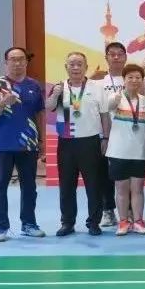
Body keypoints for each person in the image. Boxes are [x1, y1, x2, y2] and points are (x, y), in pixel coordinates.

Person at [0, 47, 46, 241]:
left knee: (29, 186)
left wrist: (41, 140)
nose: (17, 63)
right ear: (6, 62)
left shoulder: (34, 85)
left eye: (21, 59)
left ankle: (29, 224)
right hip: (2, 144)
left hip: (28, 143)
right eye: (13, 59)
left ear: (26, 62)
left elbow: (39, 114)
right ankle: (1, 227)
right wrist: (3, 102)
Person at [47, 52, 108, 237]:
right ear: (66, 67)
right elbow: (49, 107)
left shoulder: (96, 87)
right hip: (66, 143)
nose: (75, 67)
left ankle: (94, 222)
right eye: (72, 64)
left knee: (94, 185)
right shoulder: (59, 87)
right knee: (66, 185)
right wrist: (55, 94)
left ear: (86, 67)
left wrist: (105, 138)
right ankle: (67, 222)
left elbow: (104, 115)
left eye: (79, 64)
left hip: (90, 141)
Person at [104, 64, 145, 236]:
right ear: (124, 80)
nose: (134, 80)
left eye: (138, 77)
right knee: (121, 189)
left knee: (138, 189)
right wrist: (115, 99)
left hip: (139, 153)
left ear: (142, 80)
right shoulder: (116, 97)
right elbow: (108, 106)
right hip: (118, 152)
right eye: (130, 77)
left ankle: (138, 221)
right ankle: (123, 221)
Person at [95, 41, 128, 227]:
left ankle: (129, 210)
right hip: (105, 133)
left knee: (128, 174)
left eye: (120, 54)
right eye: (112, 54)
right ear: (106, 58)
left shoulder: (133, 78)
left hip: (129, 133)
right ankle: (108, 210)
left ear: (125, 57)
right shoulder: (98, 81)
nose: (116, 57)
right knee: (104, 173)